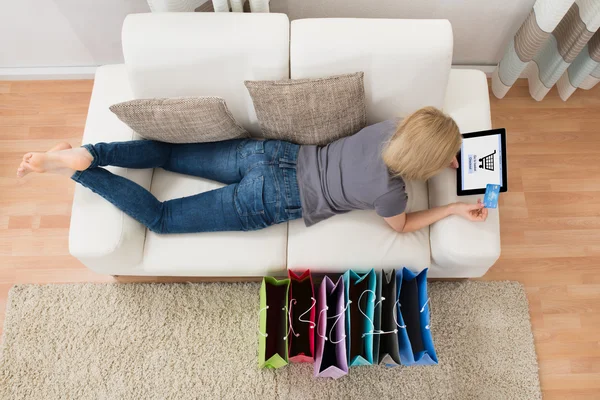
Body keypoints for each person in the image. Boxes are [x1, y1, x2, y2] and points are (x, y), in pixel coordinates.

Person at [16, 106, 487, 234]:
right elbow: (401, 229)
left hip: (270, 155)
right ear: (426, 162)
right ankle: (82, 172)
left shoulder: (386, 126)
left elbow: (411, 139)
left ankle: (87, 152)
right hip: (276, 198)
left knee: (165, 153)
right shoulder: (391, 194)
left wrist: (436, 148)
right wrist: (449, 210)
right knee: (162, 219)